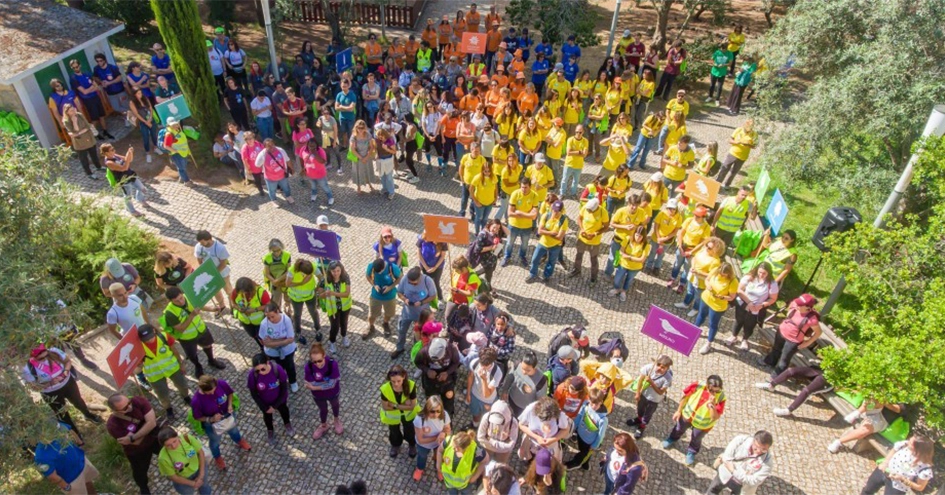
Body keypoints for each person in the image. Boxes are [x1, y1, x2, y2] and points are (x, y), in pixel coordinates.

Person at [23, 344, 102, 437]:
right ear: (33, 357)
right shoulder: (27, 369)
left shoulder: (54, 351)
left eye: (46, 355)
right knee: (62, 413)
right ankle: (74, 433)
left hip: (68, 383)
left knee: (78, 401)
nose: (45, 358)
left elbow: (67, 361)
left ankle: (88, 415)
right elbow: (34, 387)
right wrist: (49, 383)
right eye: (41, 358)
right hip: (51, 393)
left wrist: (65, 372)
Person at [163, 286, 227, 378]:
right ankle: (198, 366)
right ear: (170, 301)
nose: (181, 302)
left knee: (208, 345)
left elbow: (199, 306)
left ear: (182, 293)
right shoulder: (169, 313)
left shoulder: (189, 296)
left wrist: (212, 309)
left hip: (200, 329)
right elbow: (180, 328)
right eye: (176, 301)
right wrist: (191, 315)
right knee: (192, 355)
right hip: (186, 337)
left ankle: (211, 360)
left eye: (181, 298)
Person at [662, 374, 726, 466]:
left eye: (717, 391)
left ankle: (691, 452)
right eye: (711, 390)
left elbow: (714, 417)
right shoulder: (698, 385)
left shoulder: (721, 397)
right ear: (707, 385)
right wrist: (678, 411)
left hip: (702, 424)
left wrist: (712, 405)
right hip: (687, 415)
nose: (714, 393)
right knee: (678, 429)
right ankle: (671, 439)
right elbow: (685, 397)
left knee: (696, 438)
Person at [191, 374, 251, 471]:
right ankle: (217, 457)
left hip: (228, 415)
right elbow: (197, 417)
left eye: (214, 389)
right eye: (209, 392)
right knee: (215, 442)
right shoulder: (197, 401)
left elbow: (230, 393)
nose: (213, 392)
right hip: (212, 424)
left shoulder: (221, 384)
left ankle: (239, 441)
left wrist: (230, 405)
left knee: (234, 430)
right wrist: (210, 419)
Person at [106, 394, 161, 495]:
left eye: (129, 402)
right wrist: (146, 426)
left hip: (155, 438)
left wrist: (132, 436)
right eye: (125, 407)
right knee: (140, 472)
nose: (130, 407)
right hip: (137, 450)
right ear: (116, 411)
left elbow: (152, 423)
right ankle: (144, 487)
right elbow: (136, 442)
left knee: (171, 451)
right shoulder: (113, 425)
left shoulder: (138, 400)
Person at [136, 324, 191, 421]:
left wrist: (181, 364)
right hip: (155, 375)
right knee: (163, 395)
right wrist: (134, 368)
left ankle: (186, 397)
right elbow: (139, 365)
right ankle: (168, 409)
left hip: (173, 369)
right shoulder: (139, 347)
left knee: (183, 385)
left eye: (150, 337)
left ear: (154, 331)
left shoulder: (164, 337)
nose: (149, 340)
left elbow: (174, 351)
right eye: (145, 339)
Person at [759, 294, 823, 377]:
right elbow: (791, 307)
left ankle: (775, 377)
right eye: (797, 303)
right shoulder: (794, 305)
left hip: (793, 341)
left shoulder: (812, 319)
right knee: (776, 349)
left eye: (800, 305)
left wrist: (807, 343)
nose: (797, 305)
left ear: (808, 307)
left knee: (784, 360)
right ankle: (770, 361)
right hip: (781, 332)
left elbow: (818, 332)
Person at [34, 422, 102, 495]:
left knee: (88, 483)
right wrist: (66, 487)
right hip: (72, 479)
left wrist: (80, 443)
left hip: (82, 463)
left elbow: (70, 430)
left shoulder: (58, 427)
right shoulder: (41, 456)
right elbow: (52, 476)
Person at [858, 435, 934, 495]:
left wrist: (902, 479)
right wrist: (885, 463)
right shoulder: (904, 445)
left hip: (898, 486)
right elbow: (894, 450)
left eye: (910, 443)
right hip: (883, 471)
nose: (907, 442)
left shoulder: (924, 469)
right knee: (867, 491)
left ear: (918, 449)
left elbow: (920, 487)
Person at [728, 262, 779, 350]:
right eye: (760, 272)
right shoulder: (749, 277)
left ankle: (745, 339)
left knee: (750, 324)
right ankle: (733, 336)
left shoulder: (772, 284)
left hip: (756, 308)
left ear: (768, 273)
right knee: (738, 320)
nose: (761, 275)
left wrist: (762, 305)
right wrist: (749, 302)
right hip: (743, 304)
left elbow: (773, 298)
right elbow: (739, 290)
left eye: (764, 273)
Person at [707, 431, 774, 495]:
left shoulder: (767, 462)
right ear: (753, 440)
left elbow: (753, 481)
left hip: (742, 487)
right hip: (724, 474)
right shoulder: (741, 440)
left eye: (763, 449)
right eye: (756, 447)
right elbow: (727, 457)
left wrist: (733, 471)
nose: (759, 451)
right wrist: (743, 474)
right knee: (713, 490)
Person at [827, 401, 906, 455]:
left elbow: (899, 409)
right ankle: (857, 413)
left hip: (883, 419)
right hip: (875, 408)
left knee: (865, 430)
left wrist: (885, 402)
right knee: (875, 396)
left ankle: (838, 442)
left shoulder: (909, 390)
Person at [247, 353, 294, 444]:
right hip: (265, 402)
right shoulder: (252, 375)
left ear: (268, 363)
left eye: (263, 369)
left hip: (280, 400)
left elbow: (284, 389)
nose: (260, 372)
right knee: (267, 418)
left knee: (284, 412)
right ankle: (270, 430)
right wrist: (264, 407)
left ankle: (287, 423)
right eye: (257, 370)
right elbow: (253, 393)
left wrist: (275, 405)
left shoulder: (277, 370)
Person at [755, 364, 833, 417]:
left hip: (829, 379)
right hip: (821, 369)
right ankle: (771, 385)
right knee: (791, 371)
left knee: (806, 390)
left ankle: (788, 411)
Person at [695, 262, 739, 355]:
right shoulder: (716, 270)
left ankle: (708, 343)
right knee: (701, 315)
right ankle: (693, 331)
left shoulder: (733, 281)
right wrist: (708, 285)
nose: (721, 275)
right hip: (706, 298)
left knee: (713, 324)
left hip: (718, 305)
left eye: (723, 274)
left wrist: (722, 297)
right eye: (720, 273)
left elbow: (732, 297)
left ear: (729, 273)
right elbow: (707, 279)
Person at [626, 355, 674, 439]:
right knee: (640, 409)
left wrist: (651, 382)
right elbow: (640, 380)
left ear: (667, 368)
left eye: (663, 367)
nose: (659, 368)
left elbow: (660, 392)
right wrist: (637, 393)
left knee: (648, 414)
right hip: (643, 394)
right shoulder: (649, 368)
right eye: (658, 365)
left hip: (654, 399)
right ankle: (638, 419)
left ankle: (642, 427)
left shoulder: (668, 378)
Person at [393, 267, 437, 359]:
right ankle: (399, 348)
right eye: (410, 283)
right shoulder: (405, 279)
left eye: (414, 283)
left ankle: (417, 350)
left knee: (420, 334)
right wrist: (404, 299)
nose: (412, 284)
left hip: (422, 314)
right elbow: (399, 293)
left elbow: (433, 296)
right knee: (401, 330)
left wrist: (421, 302)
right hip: (407, 312)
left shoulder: (427, 281)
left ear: (420, 277)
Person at [668, 206, 713, 293]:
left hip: (693, 250)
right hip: (683, 246)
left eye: (698, 216)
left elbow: (702, 243)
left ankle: (682, 284)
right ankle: (672, 278)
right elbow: (681, 233)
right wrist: (680, 246)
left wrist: (691, 252)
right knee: (677, 264)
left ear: (703, 217)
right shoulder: (689, 220)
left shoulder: (706, 227)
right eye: (695, 215)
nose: (695, 217)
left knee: (687, 268)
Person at [258, 302, 299, 392]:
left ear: (277, 311)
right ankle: (282, 383)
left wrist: (272, 341)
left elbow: (291, 339)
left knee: (290, 366)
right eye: (268, 317)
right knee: (277, 369)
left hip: (288, 351)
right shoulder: (264, 324)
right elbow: (264, 342)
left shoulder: (286, 320)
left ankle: (293, 381)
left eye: (272, 316)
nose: (271, 320)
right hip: (273, 353)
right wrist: (283, 340)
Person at [380, 364, 420, 458]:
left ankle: (411, 444)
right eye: (393, 381)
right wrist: (404, 405)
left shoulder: (411, 385)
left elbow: (412, 406)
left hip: (408, 415)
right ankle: (395, 445)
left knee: (410, 430)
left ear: (404, 377)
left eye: (399, 381)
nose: (396, 384)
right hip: (394, 417)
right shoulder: (385, 389)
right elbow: (385, 407)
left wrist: (394, 405)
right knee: (394, 431)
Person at [416, 336, 462, 416]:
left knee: (448, 403)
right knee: (432, 404)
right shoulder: (424, 351)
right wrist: (427, 371)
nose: (438, 362)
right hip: (430, 382)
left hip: (447, 382)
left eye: (440, 359)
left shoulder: (451, 349)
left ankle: (448, 419)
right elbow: (417, 362)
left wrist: (447, 373)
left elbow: (456, 362)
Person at [565, 388, 609, 470]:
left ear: (601, 402)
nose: (593, 407)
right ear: (589, 400)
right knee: (582, 450)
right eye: (592, 404)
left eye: (596, 404)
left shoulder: (603, 419)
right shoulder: (586, 404)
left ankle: (576, 462)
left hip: (589, 441)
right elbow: (579, 415)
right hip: (580, 434)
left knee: (584, 453)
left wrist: (595, 445)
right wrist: (573, 427)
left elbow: (601, 434)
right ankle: (585, 464)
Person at [157, 427, 212, 495]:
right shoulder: (163, 458)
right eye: (168, 445)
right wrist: (193, 483)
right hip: (183, 479)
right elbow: (173, 477)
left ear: (177, 436)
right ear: (163, 446)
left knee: (204, 487)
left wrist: (201, 475)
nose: (173, 446)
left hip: (199, 469)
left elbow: (201, 453)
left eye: (174, 441)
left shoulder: (187, 438)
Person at [569, 197, 610, 284]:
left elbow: (606, 227)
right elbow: (579, 218)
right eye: (588, 210)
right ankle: (576, 269)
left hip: (594, 241)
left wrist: (595, 234)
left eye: (591, 210)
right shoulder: (585, 208)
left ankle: (593, 277)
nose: (589, 211)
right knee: (579, 255)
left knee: (593, 259)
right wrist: (582, 229)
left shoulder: (603, 212)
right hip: (582, 238)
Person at [518, 396, 572, 461]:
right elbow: (521, 425)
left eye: (550, 419)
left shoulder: (559, 416)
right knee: (530, 458)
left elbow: (566, 429)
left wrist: (552, 440)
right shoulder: (530, 409)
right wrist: (537, 437)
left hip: (550, 447)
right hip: (531, 443)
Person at [102, 143, 148, 217]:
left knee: (142, 189)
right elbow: (124, 168)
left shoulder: (114, 155)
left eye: (113, 148)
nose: (114, 150)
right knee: (128, 196)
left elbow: (129, 159)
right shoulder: (109, 162)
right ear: (106, 152)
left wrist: (130, 153)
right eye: (112, 150)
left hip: (131, 175)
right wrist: (128, 157)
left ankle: (140, 199)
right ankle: (132, 211)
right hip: (124, 180)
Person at [413, 395, 452, 481]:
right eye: (432, 411)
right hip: (424, 445)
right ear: (427, 409)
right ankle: (420, 468)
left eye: (438, 411)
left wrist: (444, 434)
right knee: (422, 456)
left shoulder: (444, 415)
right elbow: (420, 440)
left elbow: (448, 430)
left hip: (439, 443)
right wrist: (436, 437)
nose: (436, 414)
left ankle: (439, 470)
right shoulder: (419, 419)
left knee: (439, 456)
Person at [528, 200, 568, 283]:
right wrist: (552, 233)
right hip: (543, 243)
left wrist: (546, 231)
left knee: (551, 262)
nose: (554, 212)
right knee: (535, 259)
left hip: (555, 246)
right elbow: (539, 231)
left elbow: (560, 237)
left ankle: (547, 276)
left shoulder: (564, 220)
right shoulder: (546, 215)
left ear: (561, 210)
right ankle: (532, 274)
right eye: (553, 210)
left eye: (557, 211)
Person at [317, 260, 353, 353]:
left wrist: (333, 293)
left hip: (345, 306)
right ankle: (332, 341)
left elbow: (346, 293)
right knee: (335, 326)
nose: (336, 273)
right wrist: (325, 293)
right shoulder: (324, 280)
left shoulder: (345, 277)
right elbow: (319, 295)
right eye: (334, 271)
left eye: (338, 271)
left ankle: (344, 336)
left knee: (344, 323)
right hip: (333, 308)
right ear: (330, 271)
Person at [503, 177, 540, 266]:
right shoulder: (515, 194)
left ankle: (522, 256)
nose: (523, 189)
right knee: (509, 243)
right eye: (522, 187)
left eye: (526, 187)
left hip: (526, 226)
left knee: (524, 244)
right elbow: (510, 213)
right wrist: (527, 214)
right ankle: (507, 257)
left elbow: (534, 216)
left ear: (530, 187)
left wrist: (519, 212)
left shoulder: (534, 195)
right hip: (513, 225)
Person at [194, 230, 234, 312]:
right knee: (215, 291)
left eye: (202, 242)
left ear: (208, 239)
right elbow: (199, 258)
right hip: (209, 275)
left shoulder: (220, 248)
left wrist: (214, 273)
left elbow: (223, 263)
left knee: (228, 290)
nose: (201, 244)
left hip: (223, 274)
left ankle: (233, 306)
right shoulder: (199, 247)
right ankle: (221, 306)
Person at [61, 104, 103, 179]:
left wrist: (78, 133)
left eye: (73, 109)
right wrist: (74, 122)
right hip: (80, 142)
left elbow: (87, 126)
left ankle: (98, 166)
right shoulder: (66, 121)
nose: (73, 111)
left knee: (94, 154)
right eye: (71, 111)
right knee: (84, 159)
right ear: (67, 113)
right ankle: (89, 173)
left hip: (88, 137)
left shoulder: (79, 115)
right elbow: (74, 131)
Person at [441, 429, 489, 495]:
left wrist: (474, 477)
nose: (453, 449)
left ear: (465, 448)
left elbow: (485, 461)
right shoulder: (449, 440)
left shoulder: (476, 451)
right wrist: (438, 466)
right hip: (449, 484)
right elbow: (439, 450)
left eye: (456, 448)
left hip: (465, 485)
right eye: (453, 446)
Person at [364, 258, 402, 340]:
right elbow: (367, 276)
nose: (379, 273)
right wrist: (374, 285)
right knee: (372, 314)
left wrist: (390, 287)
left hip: (390, 296)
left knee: (389, 313)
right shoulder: (371, 266)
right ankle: (371, 326)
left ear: (384, 266)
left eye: (380, 271)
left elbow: (400, 278)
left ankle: (385, 323)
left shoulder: (393, 267)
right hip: (376, 295)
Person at [465, 347, 503, 425]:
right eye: (481, 364)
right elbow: (470, 377)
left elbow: (487, 394)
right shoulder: (475, 363)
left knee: (489, 417)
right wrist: (468, 394)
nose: (481, 367)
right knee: (475, 414)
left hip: (488, 400)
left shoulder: (497, 373)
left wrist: (484, 379)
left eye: (485, 365)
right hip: (474, 395)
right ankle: (475, 425)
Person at [716, 119, 758, 188]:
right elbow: (730, 140)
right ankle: (717, 183)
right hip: (733, 153)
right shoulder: (738, 130)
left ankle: (727, 185)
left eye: (749, 129)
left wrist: (748, 145)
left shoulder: (754, 134)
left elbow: (755, 146)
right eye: (746, 128)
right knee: (725, 168)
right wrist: (738, 142)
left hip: (743, 157)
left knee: (734, 172)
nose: (747, 131)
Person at [285, 259, 318, 345]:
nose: (310, 275)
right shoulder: (292, 270)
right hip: (296, 298)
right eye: (308, 274)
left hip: (310, 296)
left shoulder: (312, 266)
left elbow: (321, 277)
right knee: (297, 315)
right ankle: (298, 333)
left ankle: (318, 329)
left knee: (313, 312)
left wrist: (318, 287)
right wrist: (301, 283)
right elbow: (288, 284)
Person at [231, 277, 269, 350]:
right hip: (246, 321)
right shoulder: (235, 292)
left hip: (260, 322)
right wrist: (238, 308)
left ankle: (267, 349)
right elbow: (233, 303)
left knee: (262, 337)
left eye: (246, 292)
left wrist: (254, 310)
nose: (244, 294)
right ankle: (262, 347)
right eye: (241, 292)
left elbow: (268, 305)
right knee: (253, 335)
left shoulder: (261, 293)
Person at [560, 125, 589, 197]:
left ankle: (573, 194)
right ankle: (562, 193)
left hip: (578, 165)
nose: (578, 134)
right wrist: (579, 152)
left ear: (583, 132)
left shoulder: (585, 141)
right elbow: (568, 153)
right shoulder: (570, 139)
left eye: (580, 132)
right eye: (577, 132)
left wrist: (574, 152)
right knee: (564, 180)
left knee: (575, 181)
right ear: (575, 131)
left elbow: (584, 154)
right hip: (569, 164)